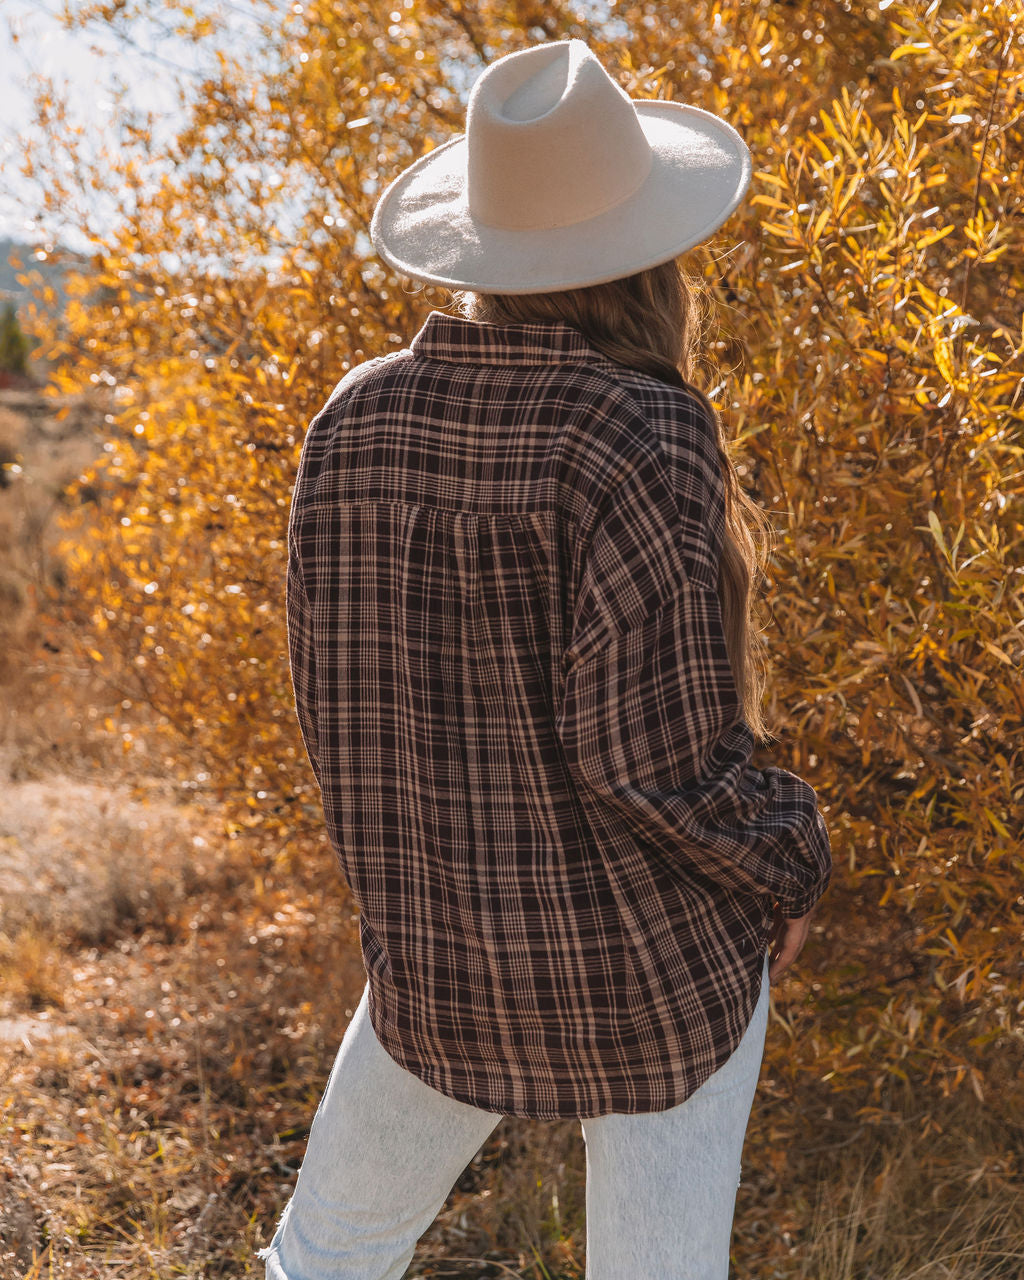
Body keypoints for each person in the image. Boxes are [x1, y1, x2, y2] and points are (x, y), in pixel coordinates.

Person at [260, 38, 832, 1280]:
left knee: (326, 1254)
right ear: (648, 255)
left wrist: (421, 888)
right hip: (644, 967)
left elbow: (334, 713)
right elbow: (654, 761)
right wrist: (787, 861)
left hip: (434, 953)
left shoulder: (350, 420)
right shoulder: (639, 430)